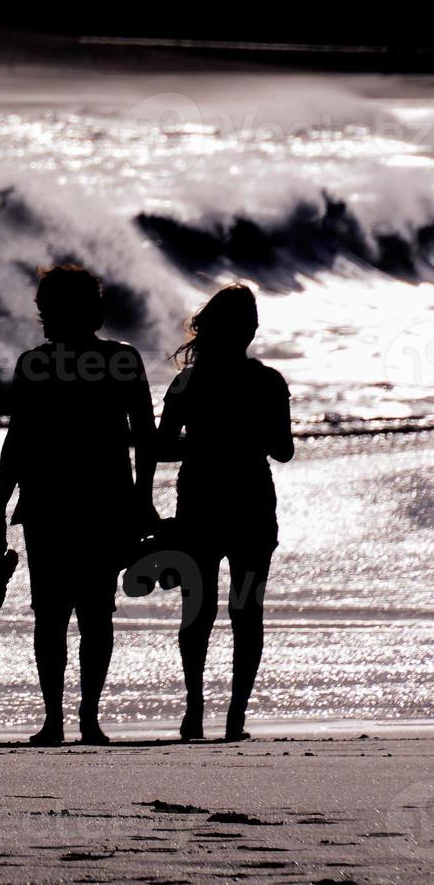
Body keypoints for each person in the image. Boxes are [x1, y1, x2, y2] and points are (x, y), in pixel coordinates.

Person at [0, 265, 157, 746]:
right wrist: (143, 499)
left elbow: (17, 441)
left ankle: (55, 720)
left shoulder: (35, 364)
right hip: (105, 501)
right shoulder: (122, 360)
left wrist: (0, 508)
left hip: (48, 502)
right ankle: (87, 719)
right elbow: (144, 438)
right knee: (96, 612)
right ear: (94, 308)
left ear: (48, 312)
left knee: (51, 614)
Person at [158, 284, 292, 742]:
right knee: (246, 609)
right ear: (251, 331)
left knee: (196, 610)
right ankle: (235, 718)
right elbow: (285, 450)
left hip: (199, 504)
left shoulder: (187, 382)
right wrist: (248, 435)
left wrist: (201, 442)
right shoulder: (268, 381)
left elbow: (161, 449)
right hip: (252, 505)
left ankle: (194, 711)